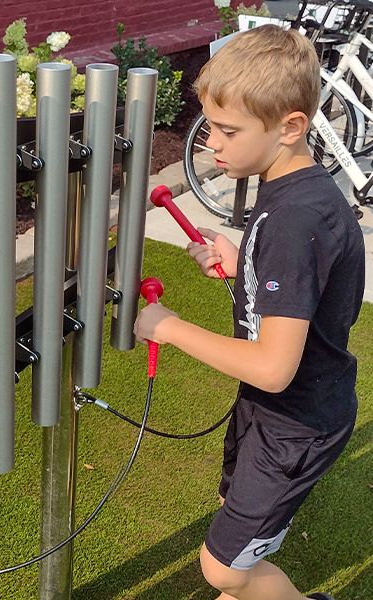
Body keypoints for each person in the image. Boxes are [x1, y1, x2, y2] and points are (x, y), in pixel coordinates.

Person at [134, 25, 365, 600]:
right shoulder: (296, 190)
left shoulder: (294, 220)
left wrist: (170, 327)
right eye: (210, 124)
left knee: (224, 570)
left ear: (291, 127)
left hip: (297, 419)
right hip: (279, 412)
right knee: (233, 520)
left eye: (228, 130)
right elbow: (313, 283)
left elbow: (272, 367)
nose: (211, 142)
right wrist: (245, 265)